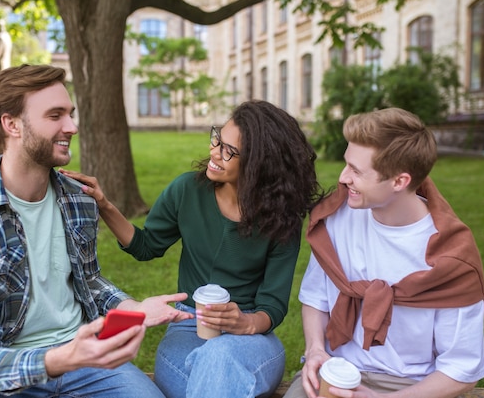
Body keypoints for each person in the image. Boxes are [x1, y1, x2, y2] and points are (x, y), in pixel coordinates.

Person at [0, 64, 193, 398]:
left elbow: (89, 281)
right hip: (6, 369)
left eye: (70, 114)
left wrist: (134, 308)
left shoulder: (77, 199)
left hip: (83, 361)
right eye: (55, 115)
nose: (72, 127)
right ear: (11, 124)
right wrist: (61, 358)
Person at [60, 100, 325, 398]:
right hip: (189, 326)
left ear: (260, 164)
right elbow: (146, 246)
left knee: (220, 358)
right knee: (218, 379)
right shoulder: (187, 190)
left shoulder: (282, 218)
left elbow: (273, 306)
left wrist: (245, 323)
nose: (214, 152)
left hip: (252, 337)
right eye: (217, 139)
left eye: (228, 150)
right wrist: (105, 206)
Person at [283, 107, 484, 398]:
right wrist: (315, 349)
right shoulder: (337, 220)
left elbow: (462, 370)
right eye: (346, 164)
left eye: (356, 170)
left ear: (399, 181)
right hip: (337, 370)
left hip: (411, 387)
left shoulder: (449, 258)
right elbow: (316, 297)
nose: (342, 178)